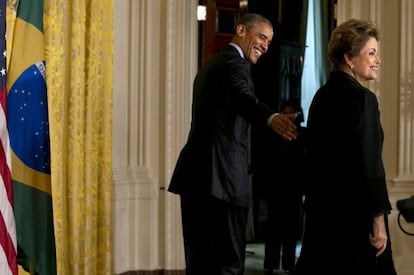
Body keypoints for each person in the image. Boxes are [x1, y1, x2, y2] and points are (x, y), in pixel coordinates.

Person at [168, 13, 298, 275]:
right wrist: (270, 116)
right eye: (261, 37)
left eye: (270, 42)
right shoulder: (233, 63)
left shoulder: (212, 63)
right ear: (240, 30)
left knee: (200, 263)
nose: (265, 46)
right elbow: (242, 95)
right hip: (221, 182)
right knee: (228, 265)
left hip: (196, 179)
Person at [295, 19, 397, 275]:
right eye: (371, 52)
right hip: (356, 219)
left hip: (322, 216)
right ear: (349, 57)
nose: (378, 59)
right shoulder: (363, 99)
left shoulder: (321, 96)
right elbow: (370, 164)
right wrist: (378, 220)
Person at [262, 99, 306, 275]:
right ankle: (270, 264)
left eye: (291, 113)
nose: (287, 118)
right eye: (284, 114)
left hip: (294, 188)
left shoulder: (302, 133)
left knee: (291, 228)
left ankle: (289, 264)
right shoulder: (272, 134)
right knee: (273, 228)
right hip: (276, 187)